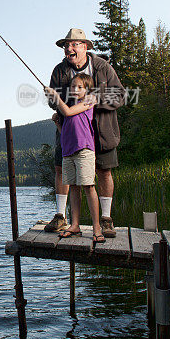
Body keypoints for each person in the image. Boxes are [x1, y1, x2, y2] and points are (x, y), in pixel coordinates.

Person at [44, 28, 125, 237]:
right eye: (65, 46)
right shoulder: (59, 70)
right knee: (61, 170)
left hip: (102, 130)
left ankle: (105, 220)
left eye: (73, 45)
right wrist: (54, 100)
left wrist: (96, 100)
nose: (68, 49)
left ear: (84, 47)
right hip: (69, 131)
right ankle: (61, 217)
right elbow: (54, 103)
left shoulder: (101, 66)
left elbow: (120, 95)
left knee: (104, 171)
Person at [45, 74, 105, 242]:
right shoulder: (70, 105)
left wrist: (55, 97)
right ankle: (75, 225)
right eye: (73, 87)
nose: (75, 90)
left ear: (87, 90)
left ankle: (97, 228)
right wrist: (58, 123)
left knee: (88, 187)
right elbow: (67, 132)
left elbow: (68, 112)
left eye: (80, 87)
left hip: (84, 151)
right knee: (73, 187)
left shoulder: (89, 101)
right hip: (68, 152)